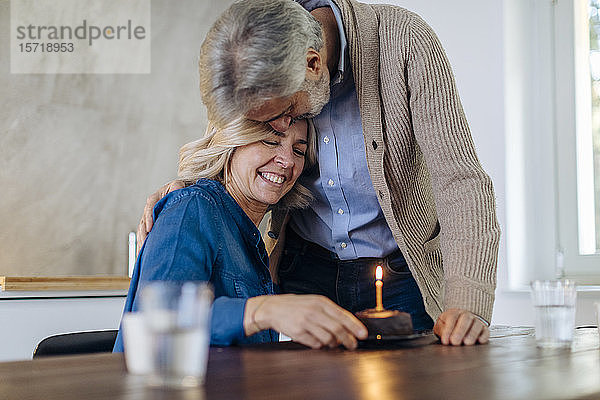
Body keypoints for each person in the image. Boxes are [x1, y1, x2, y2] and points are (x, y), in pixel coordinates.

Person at [139, 0, 500, 346]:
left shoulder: (405, 41)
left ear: (313, 64)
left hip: (399, 277)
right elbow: (234, 150)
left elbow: (461, 181)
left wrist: (467, 300)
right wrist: (190, 191)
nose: (281, 127)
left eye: (286, 116)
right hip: (304, 272)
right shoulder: (251, 50)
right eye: (264, 127)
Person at [114, 118, 368, 351]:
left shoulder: (253, 242)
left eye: (298, 151)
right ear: (231, 141)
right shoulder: (193, 207)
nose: (288, 161)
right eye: (270, 141)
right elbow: (159, 321)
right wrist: (264, 311)